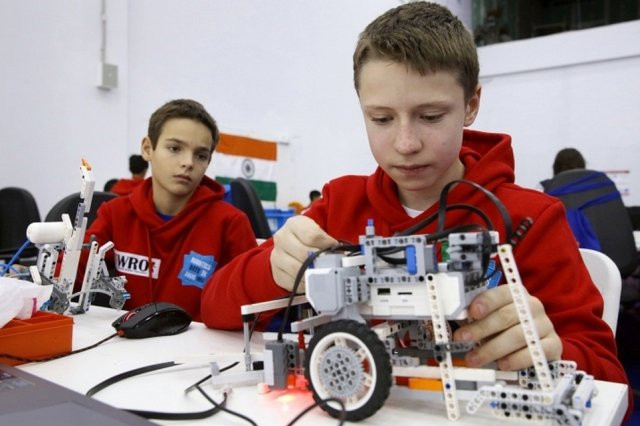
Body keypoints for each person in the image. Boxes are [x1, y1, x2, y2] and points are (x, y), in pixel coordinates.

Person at [201, 0, 629, 397]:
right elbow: (213, 307)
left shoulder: (530, 219)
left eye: (430, 116)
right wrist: (272, 267)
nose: (406, 144)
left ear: (471, 104)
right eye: (381, 118)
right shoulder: (339, 206)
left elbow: (612, 383)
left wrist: (552, 351)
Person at [77, 99, 257, 320]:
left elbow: (253, 309)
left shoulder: (230, 224)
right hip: (127, 338)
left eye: (201, 155)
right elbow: (70, 275)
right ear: (147, 149)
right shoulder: (116, 214)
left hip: (199, 341)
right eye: (174, 148)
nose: (188, 162)